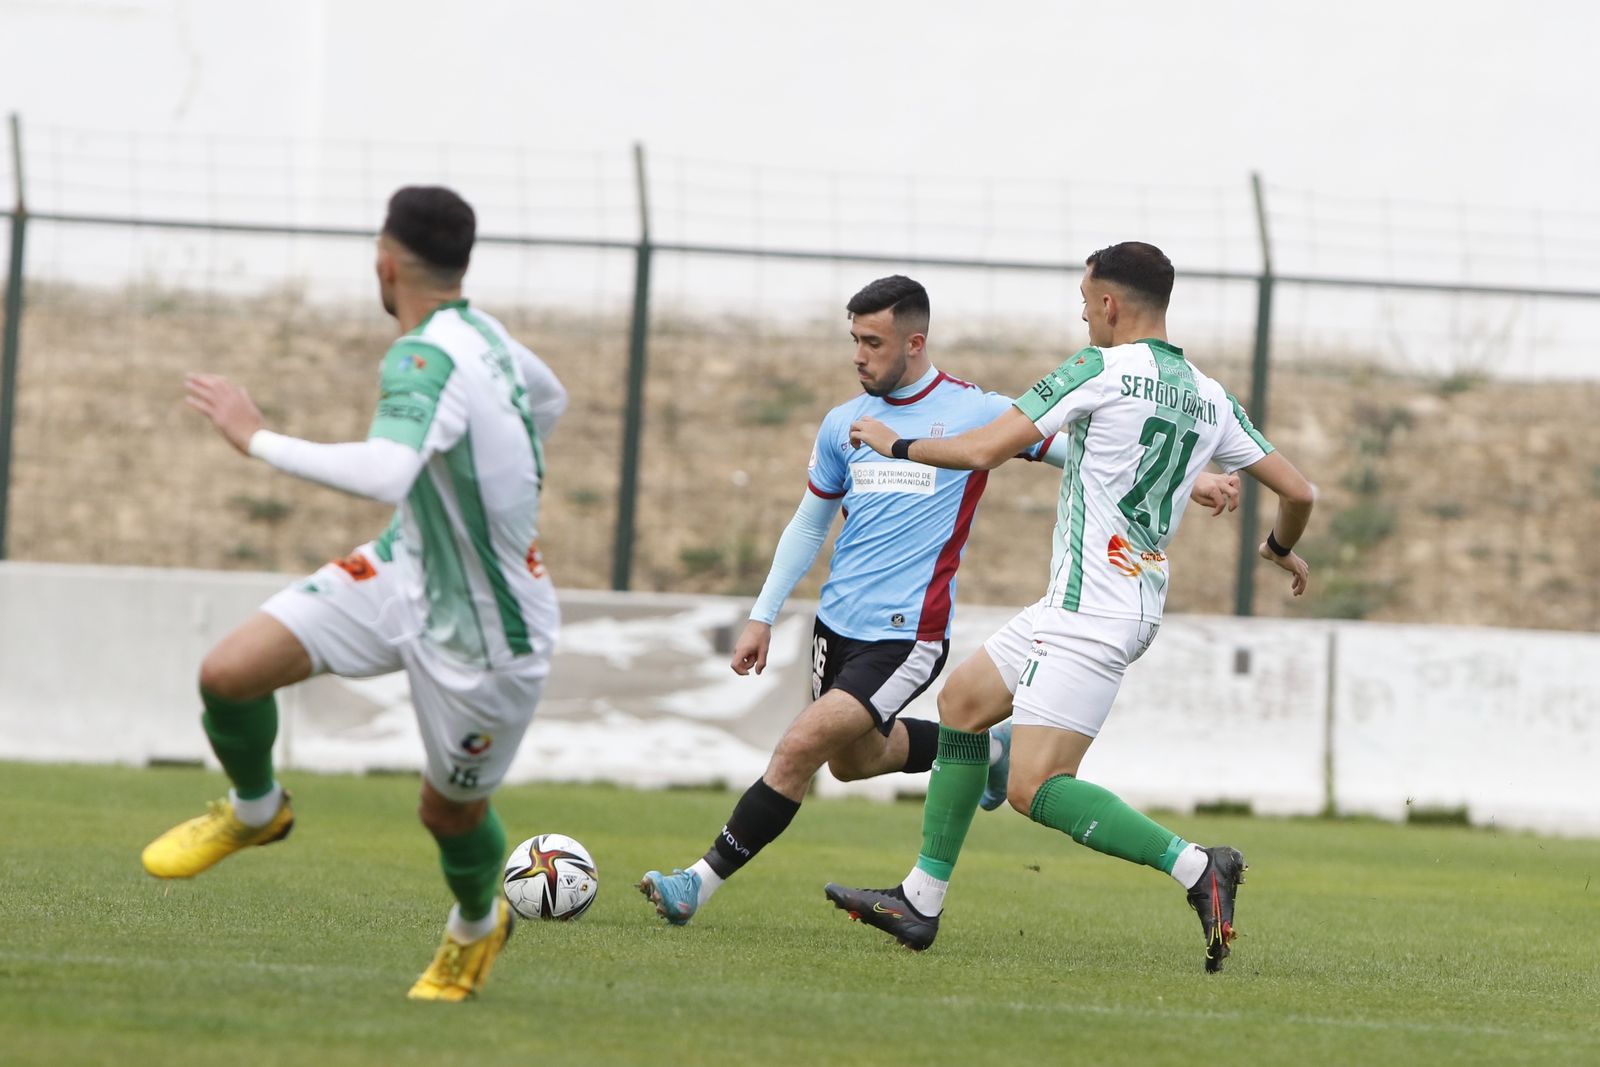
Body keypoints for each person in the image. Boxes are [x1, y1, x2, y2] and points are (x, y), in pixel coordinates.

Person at [637, 275, 1240, 925]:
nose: (859, 355)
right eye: (855, 340)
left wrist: (1195, 476)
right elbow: (809, 522)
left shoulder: (976, 411)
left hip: (908, 633)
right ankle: (990, 753)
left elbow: (1080, 450)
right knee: (852, 760)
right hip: (834, 626)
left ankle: (695, 884)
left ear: (914, 342)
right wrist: (762, 615)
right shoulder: (845, 423)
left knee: (798, 748)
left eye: (873, 342)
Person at [826, 242, 1315, 973]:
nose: (1082, 311)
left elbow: (985, 449)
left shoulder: (1097, 368)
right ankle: (920, 899)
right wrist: (1278, 549)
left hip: (1094, 612)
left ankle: (1196, 866)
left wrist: (893, 441)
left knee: (1033, 787)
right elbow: (1301, 491)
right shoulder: (1210, 394)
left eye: (1086, 298)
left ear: (1111, 303)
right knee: (964, 700)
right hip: (1103, 600)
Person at [140, 186, 568, 1002]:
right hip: (402, 568)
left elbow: (386, 470)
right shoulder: (490, 338)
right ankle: (257, 807)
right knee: (229, 672)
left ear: (385, 260)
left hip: (486, 631)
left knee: (448, 817)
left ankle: (478, 925)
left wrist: (253, 436)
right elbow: (551, 402)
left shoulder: (424, 354)